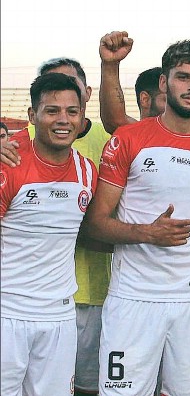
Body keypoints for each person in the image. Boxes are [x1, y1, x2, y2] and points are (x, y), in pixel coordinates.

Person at [85, 39, 190, 396]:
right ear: (164, 83)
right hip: (133, 300)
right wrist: (148, 232)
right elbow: (95, 223)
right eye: (183, 77)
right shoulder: (130, 139)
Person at [1, 56, 113, 396]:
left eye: (72, 112)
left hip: (59, 317)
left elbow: (98, 230)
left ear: (82, 116)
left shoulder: (86, 172)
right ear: (34, 116)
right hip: (8, 313)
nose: (63, 120)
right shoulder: (10, 162)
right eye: (52, 111)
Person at [99, 30, 165, 132]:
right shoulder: (136, 135)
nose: (175, 106)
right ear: (145, 99)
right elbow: (116, 122)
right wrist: (110, 64)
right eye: (167, 101)